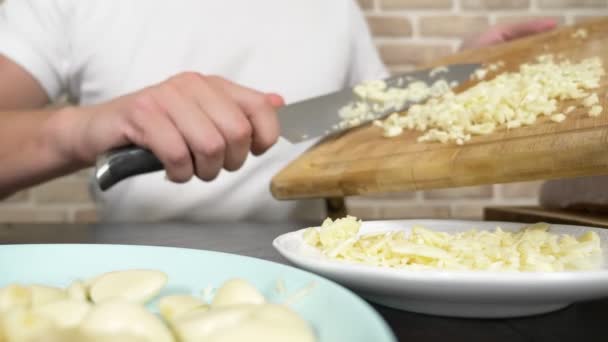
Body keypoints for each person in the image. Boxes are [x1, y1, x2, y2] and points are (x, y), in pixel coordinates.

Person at [0, 0, 556, 222]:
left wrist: (453, 83)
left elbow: (372, 119)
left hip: (309, 278)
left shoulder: (332, 6)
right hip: (136, 283)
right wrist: (84, 128)